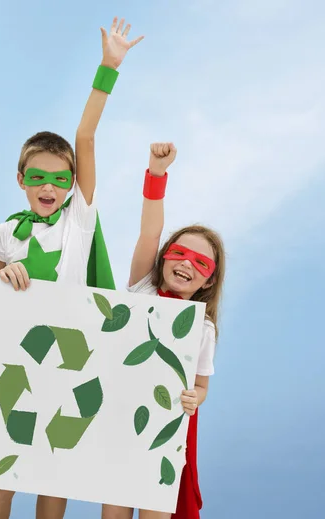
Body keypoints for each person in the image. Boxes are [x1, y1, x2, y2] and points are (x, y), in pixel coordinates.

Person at [0, 16, 144, 519]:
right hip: (18, 355)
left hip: (72, 354)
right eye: (37, 177)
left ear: (72, 183)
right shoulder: (3, 233)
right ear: (20, 179)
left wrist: (107, 68)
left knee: (56, 471)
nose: (48, 187)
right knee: (4, 470)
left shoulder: (79, 218)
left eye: (59, 178)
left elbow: (85, 136)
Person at [101, 143, 226, 519]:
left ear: (209, 280)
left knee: (157, 510)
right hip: (122, 420)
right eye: (180, 253)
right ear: (164, 256)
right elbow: (149, 231)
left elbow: (201, 386)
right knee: (115, 508)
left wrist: (194, 398)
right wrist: (157, 174)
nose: (187, 264)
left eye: (200, 263)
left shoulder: (202, 328)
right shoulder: (143, 288)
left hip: (166, 429)